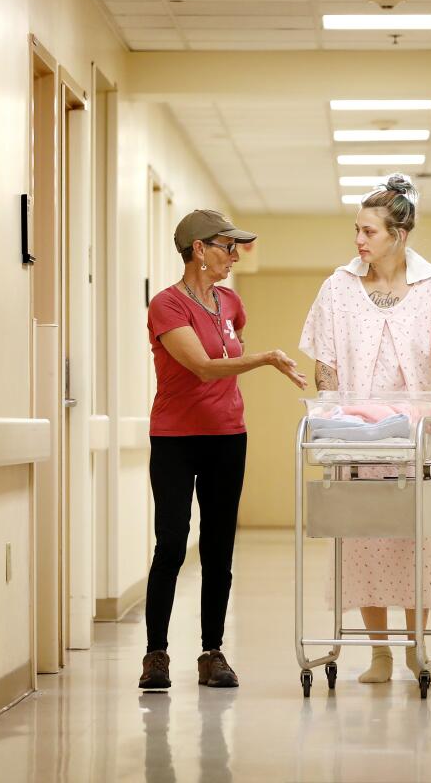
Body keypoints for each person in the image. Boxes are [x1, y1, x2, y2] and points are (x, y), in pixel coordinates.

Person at [299, 174, 431, 683]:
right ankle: (379, 653)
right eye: (356, 230)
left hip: (415, 434)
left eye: (368, 232)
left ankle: (415, 646)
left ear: (399, 235)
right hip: (357, 434)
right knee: (362, 539)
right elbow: (326, 361)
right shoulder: (338, 287)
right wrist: (332, 415)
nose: (359, 241)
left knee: (416, 540)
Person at [140, 209, 308, 690]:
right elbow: (204, 367)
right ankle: (156, 655)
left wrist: (251, 359)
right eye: (226, 246)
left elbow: (228, 359)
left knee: (219, 547)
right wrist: (269, 358)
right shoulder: (167, 305)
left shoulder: (231, 303)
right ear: (198, 249)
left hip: (228, 436)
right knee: (172, 543)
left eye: (236, 248)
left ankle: (212, 653)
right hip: (175, 438)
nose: (234, 255)